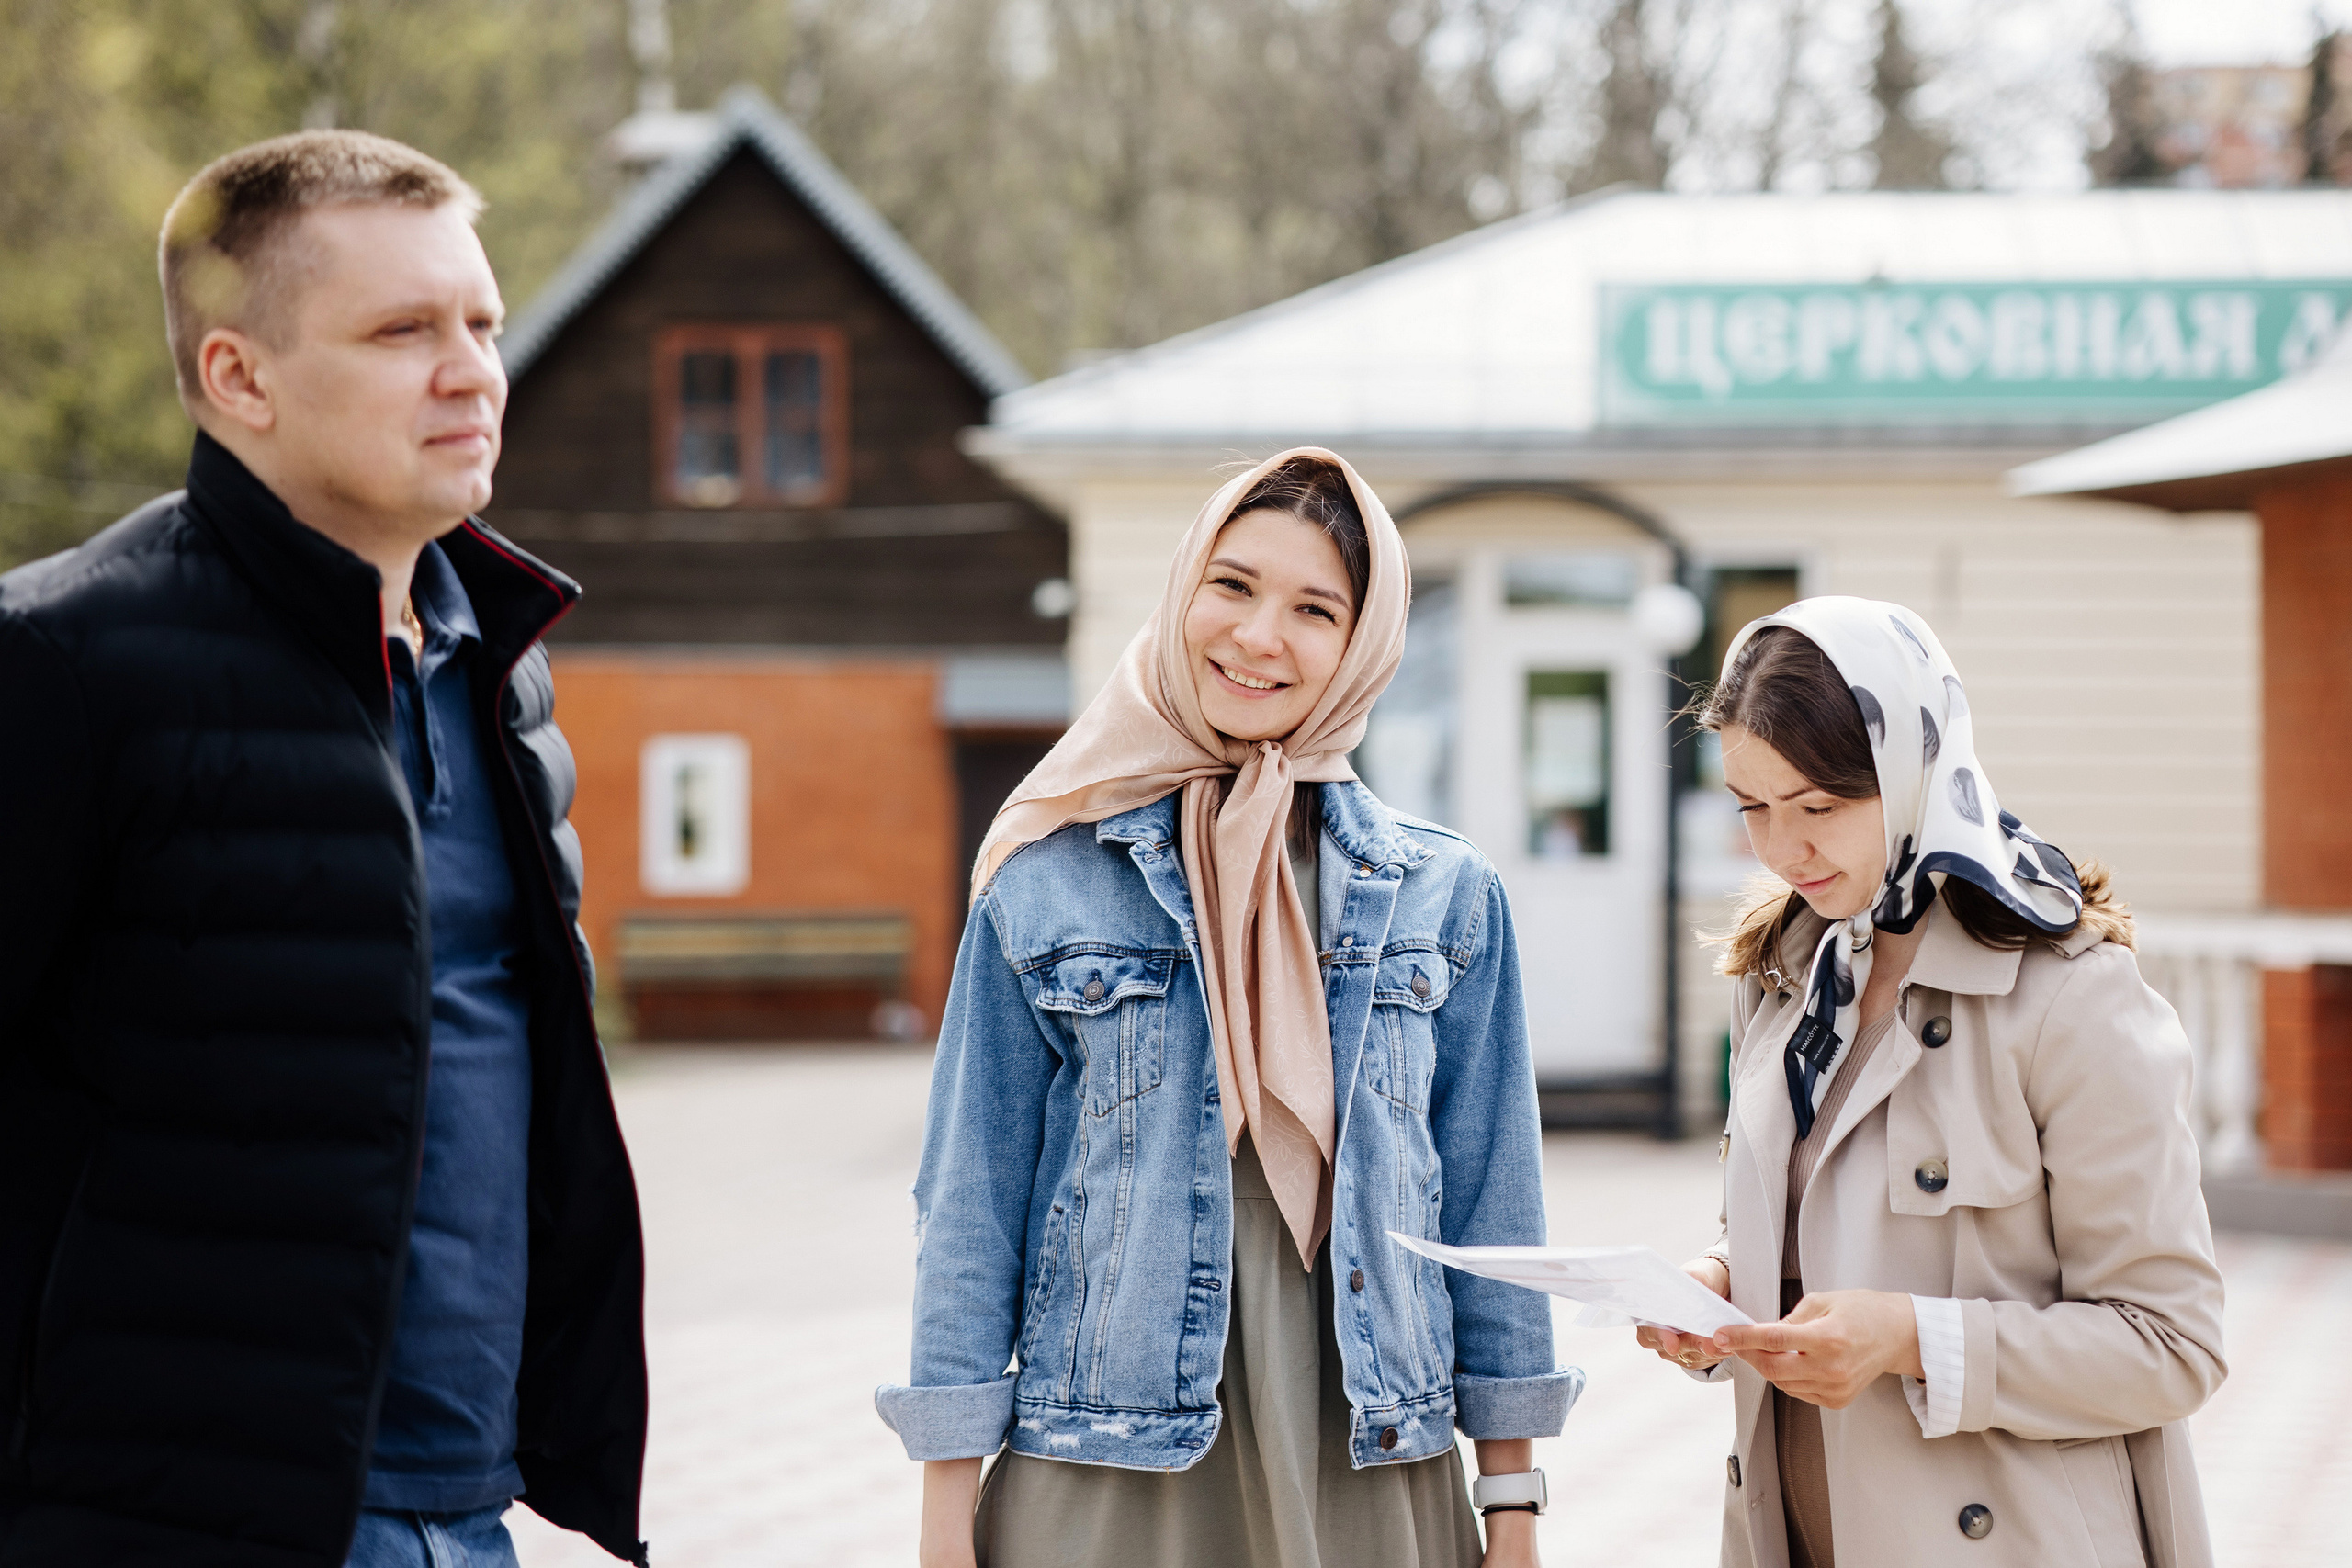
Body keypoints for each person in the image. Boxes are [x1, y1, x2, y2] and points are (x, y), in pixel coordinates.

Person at [0, 131, 648, 1567]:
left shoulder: (502, 669)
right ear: (240, 376)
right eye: (403, 329)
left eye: (481, 321)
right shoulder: (61, 663)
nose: (472, 367)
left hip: (471, 1509)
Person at [876, 451, 1580, 1567]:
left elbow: (1494, 1212)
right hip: (1104, 1457)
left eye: (1315, 609)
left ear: (1364, 646)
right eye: (1233, 585)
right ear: (1181, 593)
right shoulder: (1045, 876)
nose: (1260, 636)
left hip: (1366, 1447)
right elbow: (969, 1203)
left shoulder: (1446, 896)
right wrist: (942, 1522)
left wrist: (1515, 1506)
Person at [1636, 598, 2225, 1567]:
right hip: (1793, 1527)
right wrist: (1717, 1289)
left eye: (1819, 807)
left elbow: (2171, 1344)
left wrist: (1911, 1340)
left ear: (1913, 773)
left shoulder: (2067, 995)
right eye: (1752, 808)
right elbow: (1806, 1220)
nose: (1783, 851)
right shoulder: (1781, 976)